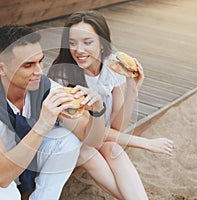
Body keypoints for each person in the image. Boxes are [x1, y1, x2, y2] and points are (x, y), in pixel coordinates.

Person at [0, 24, 107, 200]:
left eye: (40, 61)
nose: (39, 71)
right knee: (6, 193)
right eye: (28, 65)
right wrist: (43, 124)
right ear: (1, 68)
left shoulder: (44, 87)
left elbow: (92, 139)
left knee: (67, 139)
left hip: (23, 154)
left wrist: (97, 111)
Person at [48, 10, 175, 199]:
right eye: (72, 43)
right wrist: (145, 143)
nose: (79, 50)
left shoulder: (112, 68)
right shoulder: (62, 77)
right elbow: (85, 133)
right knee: (88, 151)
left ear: (102, 43)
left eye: (87, 42)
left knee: (113, 149)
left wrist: (132, 89)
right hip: (65, 141)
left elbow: (117, 127)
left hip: (96, 136)